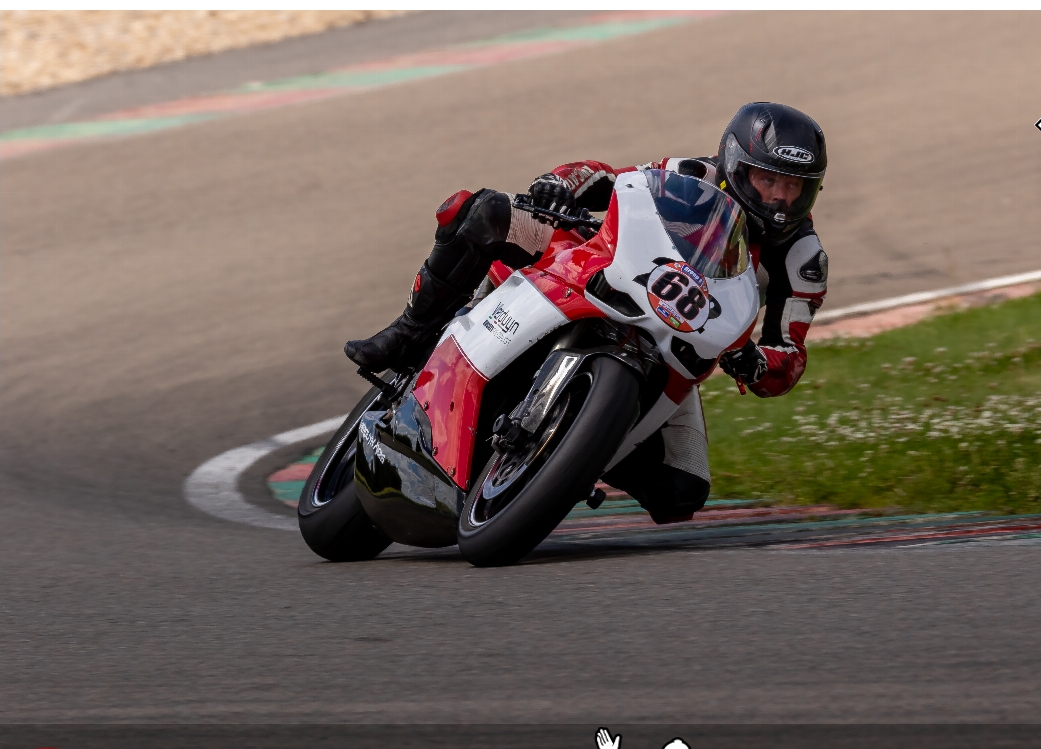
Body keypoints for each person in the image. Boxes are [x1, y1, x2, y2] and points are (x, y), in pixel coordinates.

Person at [344, 102, 829, 523]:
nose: (780, 198)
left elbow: (790, 353)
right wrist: (558, 184)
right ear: (736, 167)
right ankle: (411, 331)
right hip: (596, 268)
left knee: (682, 489)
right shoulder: (689, 174)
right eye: (768, 180)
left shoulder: (804, 260)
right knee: (483, 211)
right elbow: (612, 181)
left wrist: (759, 364)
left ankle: (568, 454)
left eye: (794, 187)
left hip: (672, 347)